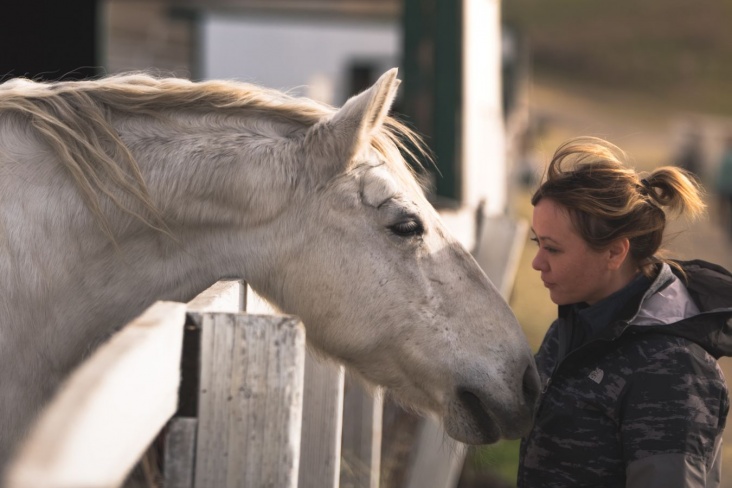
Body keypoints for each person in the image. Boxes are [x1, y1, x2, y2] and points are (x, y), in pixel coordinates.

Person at [518, 136, 732, 487]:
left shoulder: (673, 370)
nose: (537, 263)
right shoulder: (573, 326)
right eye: (536, 243)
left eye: (553, 249)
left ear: (615, 252)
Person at [715, 135, 732, 238]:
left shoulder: (725, 156)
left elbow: (720, 173)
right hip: (726, 187)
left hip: (724, 187)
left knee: (724, 208)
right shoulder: (726, 156)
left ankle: (724, 224)